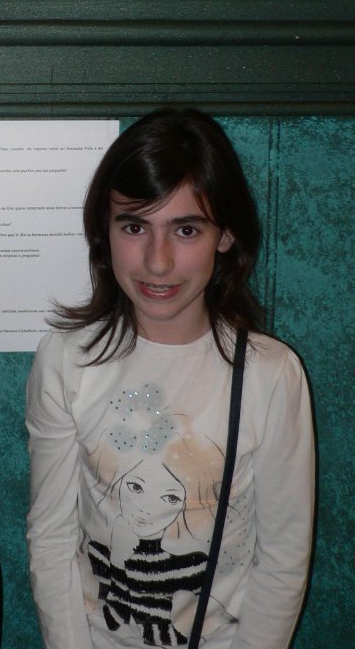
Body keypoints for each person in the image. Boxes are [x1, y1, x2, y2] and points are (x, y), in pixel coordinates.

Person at [26, 108, 315, 649]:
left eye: (186, 229)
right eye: (135, 226)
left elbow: (282, 557)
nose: (157, 263)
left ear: (225, 236)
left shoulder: (271, 375)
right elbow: (51, 537)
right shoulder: (66, 361)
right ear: (105, 231)